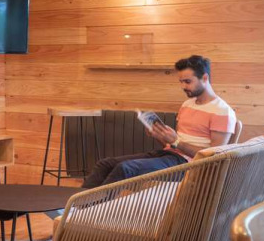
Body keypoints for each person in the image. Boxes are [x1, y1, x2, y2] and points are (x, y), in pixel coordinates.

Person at [82, 55, 237, 188]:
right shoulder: (187, 104)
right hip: (169, 155)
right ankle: (75, 208)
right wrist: (160, 135)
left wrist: (176, 142)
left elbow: (213, 157)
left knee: (125, 168)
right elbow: (173, 144)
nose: (183, 86)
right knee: (105, 164)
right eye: (181, 81)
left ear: (204, 78)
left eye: (188, 81)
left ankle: (92, 209)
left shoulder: (222, 111)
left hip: (190, 165)